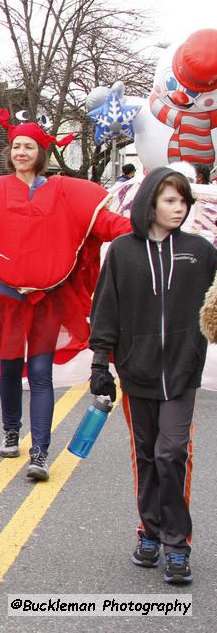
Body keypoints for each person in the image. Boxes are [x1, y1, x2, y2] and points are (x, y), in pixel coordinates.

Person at [0, 109, 131, 481]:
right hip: (5, 299)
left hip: (49, 300)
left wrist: (149, 223)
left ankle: (41, 452)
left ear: (40, 152)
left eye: (28, 146)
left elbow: (106, 224)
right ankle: (11, 431)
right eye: (16, 146)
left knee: (40, 373)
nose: (20, 152)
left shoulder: (66, 190)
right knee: (11, 367)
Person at [90, 168, 216, 586]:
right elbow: (107, 309)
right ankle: (150, 531)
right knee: (146, 455)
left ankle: (177, 545)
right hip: (137, 370)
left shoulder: (200, 251)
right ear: (150, 203)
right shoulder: (123, 251)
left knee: (172, 452)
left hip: (182, 371)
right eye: (169, 200)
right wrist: (100, 364)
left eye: (182, 201)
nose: (178, 208)